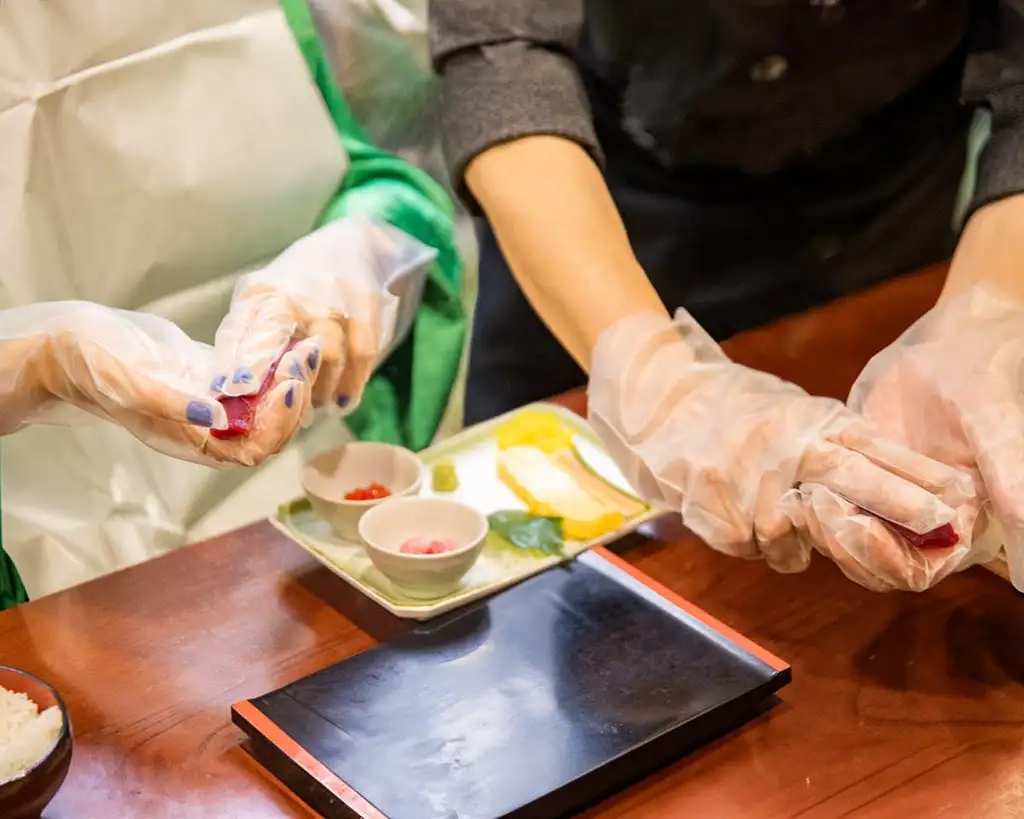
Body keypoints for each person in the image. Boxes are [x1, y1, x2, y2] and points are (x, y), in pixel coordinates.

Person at [429, 0, 1024, 591]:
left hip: (883, 225)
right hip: (594, 214)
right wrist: (655, 381)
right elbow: (503, 53)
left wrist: (979, 321)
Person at [0, 0, 466, 610]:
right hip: (45, 575)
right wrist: (43, 359)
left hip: (302, 520)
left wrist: (360, 250)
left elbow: (371, 179)